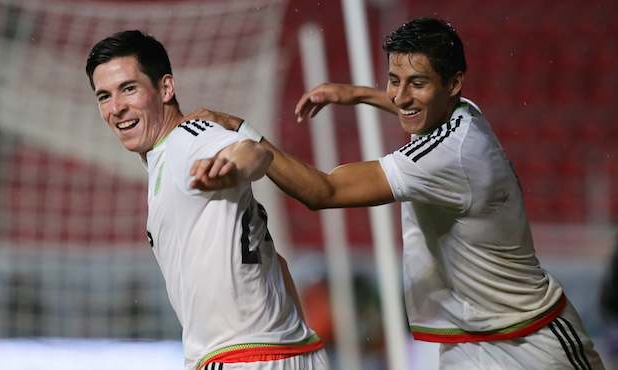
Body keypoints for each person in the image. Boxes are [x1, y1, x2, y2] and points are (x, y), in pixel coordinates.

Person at [194, 18, 605, 370]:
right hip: (469, 345)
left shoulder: (448, 155)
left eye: (418, 83)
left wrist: (244, 133)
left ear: (454, 82)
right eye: (394, 80)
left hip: (532, 344)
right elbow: (412, 105)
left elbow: (323, 191)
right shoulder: (464, 112)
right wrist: (355, 94)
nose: (402, 96)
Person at [85, 30, 328, 370]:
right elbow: (279, 264)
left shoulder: (186, 139)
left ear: (166, 88)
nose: (116, 107)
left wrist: (234, 167)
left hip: (242, 356)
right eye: (104, 96)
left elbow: (252, 152)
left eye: (129, 88)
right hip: (281, 351)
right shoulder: (162, 161)